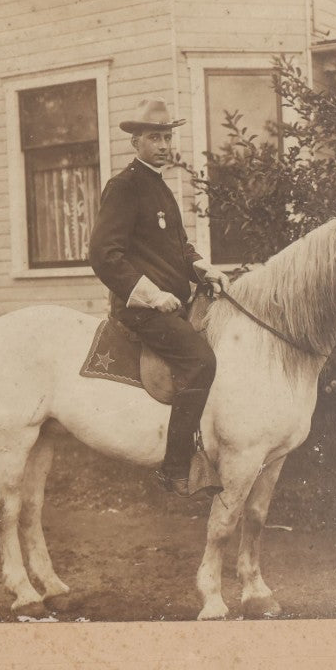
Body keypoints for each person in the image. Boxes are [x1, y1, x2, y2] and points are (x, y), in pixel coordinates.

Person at [89, 99, 228, 497]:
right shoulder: (125, 187)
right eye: (154, 137)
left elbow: (180, 247)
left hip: (172, 303)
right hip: (140, 310)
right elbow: (104, 254)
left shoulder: (161, 188)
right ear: (136, 142)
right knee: (201, 361)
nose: (164, 145)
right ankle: (175, 467)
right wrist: (150, 295)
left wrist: (207, 270)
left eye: (167, 136)